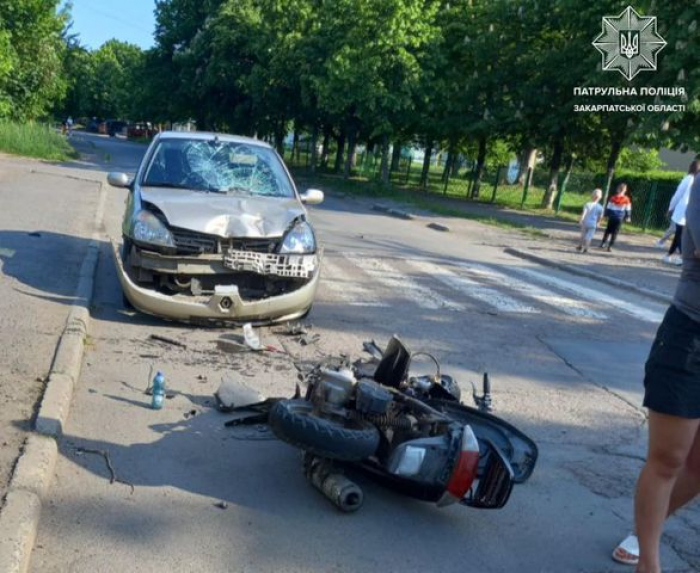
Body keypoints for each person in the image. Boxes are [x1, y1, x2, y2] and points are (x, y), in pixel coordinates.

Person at [612, 171, 700, 573]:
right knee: (667, 459)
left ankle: (650, 524)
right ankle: (648, 562)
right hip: (690, 337)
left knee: (699, 467)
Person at [662, 161, 699, 265]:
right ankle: (673, 255)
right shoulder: (696, 180)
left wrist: (671, 207)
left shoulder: (688, 179)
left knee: (680, 234)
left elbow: (678, 195)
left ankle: (679, 256)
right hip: (691, 211)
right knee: (680, 234)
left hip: (683, 211)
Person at [600, 183, 632, 251]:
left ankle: (603, 243)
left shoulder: (613, 198)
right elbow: (628, 209)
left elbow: (609, 207)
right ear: (625, 190)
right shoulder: (626, 199)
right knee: (615, 232)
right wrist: (628, 217)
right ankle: (610, 246)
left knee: (608, 230)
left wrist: (606, 215)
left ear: (617, 190)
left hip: (612, 216)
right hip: (619, 218)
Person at [576, 188, 604, 253]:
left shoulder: (587, 204)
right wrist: (598, 222)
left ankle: (580, 246)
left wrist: (581, 220)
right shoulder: (600, 207)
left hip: (585, 222)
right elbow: (600, 216)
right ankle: (586, 248)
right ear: (600, 197)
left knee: (583, 234)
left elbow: (584, 213)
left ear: (592, 195)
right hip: (593, 223)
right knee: (589, 237)